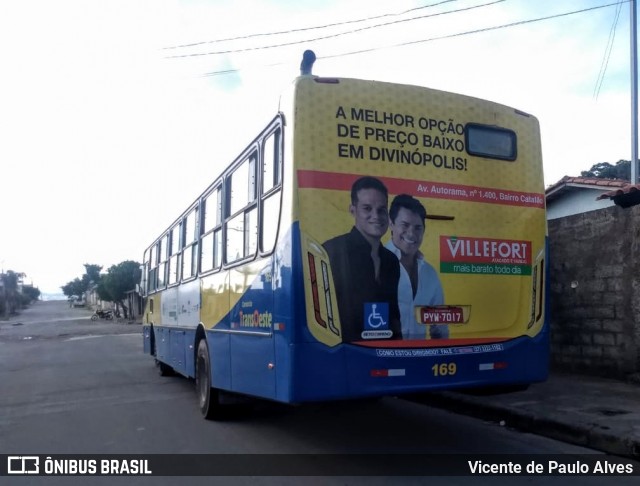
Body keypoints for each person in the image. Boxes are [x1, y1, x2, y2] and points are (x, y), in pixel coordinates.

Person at [323, 176, 402, 342]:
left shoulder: (392, 261)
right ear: (353, 210)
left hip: (387, 351)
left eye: (381, 210)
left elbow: (394, 316)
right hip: (342, 351)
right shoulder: (331, 251)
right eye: (367, 208)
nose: (376, 216)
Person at [385, 194, 449, 339]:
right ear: (391, 223)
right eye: (405, 225)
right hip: (382, 357)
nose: (411, 233)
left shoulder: (430, 274)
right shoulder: (372, 265)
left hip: (420, 358)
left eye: (418, 227)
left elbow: (440, 329)